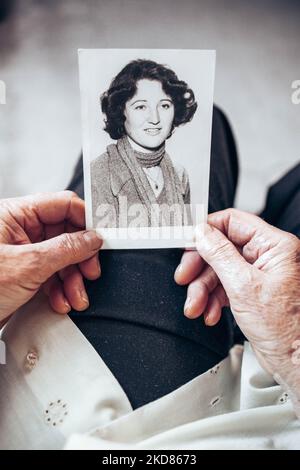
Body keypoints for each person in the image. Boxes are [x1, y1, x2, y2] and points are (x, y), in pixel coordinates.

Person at [91, 59, 197, 228]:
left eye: (164, 105)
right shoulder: (99, 171)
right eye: (141, 107)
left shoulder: (180, 174)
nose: (155, 119)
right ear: (121, 111)